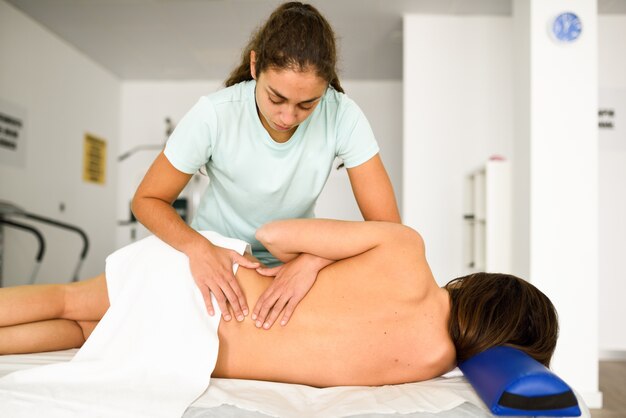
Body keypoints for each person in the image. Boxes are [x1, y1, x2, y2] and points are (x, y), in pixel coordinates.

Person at [0, 219, 558, 386]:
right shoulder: (430, 365)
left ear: (480, 288)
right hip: (190, 353)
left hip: (211, 281)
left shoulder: (404, 249)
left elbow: (277, 233)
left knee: (68, 298)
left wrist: (317, 260)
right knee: (80, 334)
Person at [131, 1, 401, 330]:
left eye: (307, 104)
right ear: (255, 65)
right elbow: (146, 201)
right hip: (216, 255)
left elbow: (388, 231)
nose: (288, 117)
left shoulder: (343, 115)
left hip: (294, 263)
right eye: (276, 98)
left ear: (326, 87)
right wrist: (197, 249)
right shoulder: (214, 114)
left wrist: (313, 261)